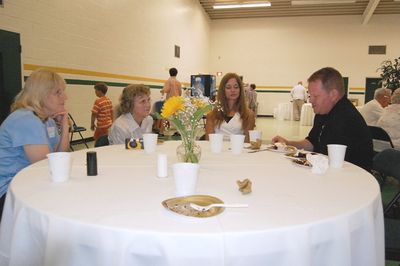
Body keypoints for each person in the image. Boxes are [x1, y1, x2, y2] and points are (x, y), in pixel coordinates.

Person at [272, 67, 373, 171]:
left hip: (353, 177)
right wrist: (288, 143)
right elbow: (312, 142)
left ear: (333, 95)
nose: (310, 100)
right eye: (310, 95)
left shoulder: (346, 119)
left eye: (315, 96)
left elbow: (334, 162)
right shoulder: (323, 111)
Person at [0, 69, 70, 219]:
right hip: (9, 190)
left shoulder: (47, 120)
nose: (65, 97)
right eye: (58, 92)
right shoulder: (25, 119)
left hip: (28, 181)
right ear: (41, 94)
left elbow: (59, 158)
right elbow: (45, 167)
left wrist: (65, 127)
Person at [205, 72, 256, 143]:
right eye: (228, 87)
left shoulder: (248, 114)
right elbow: (208, 142)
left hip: (238, 152)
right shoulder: (212, 115)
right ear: (223, 90)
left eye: (236, 87)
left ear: (240, 90)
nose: (233, 90)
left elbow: (248, 143)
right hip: (217, 151)